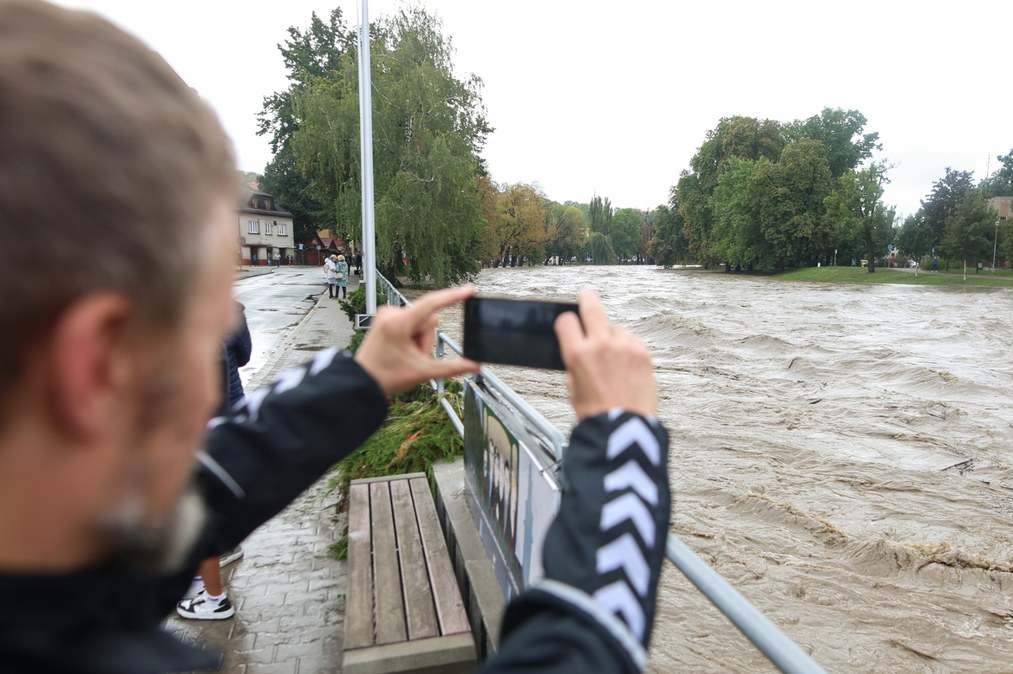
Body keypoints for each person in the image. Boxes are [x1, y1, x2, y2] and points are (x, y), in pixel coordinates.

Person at [0, 4, 670, 673]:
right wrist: (622, 446)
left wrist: (362, 378)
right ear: (95, 368)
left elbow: (196, 490)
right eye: (212, 331)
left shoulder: (43, 547)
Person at [176, 302, 253, 621]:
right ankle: (219, 558)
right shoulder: (231, 311)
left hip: (202, 425)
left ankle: (214, 597)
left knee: (199, 509)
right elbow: (245, 355)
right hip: (232, 416)